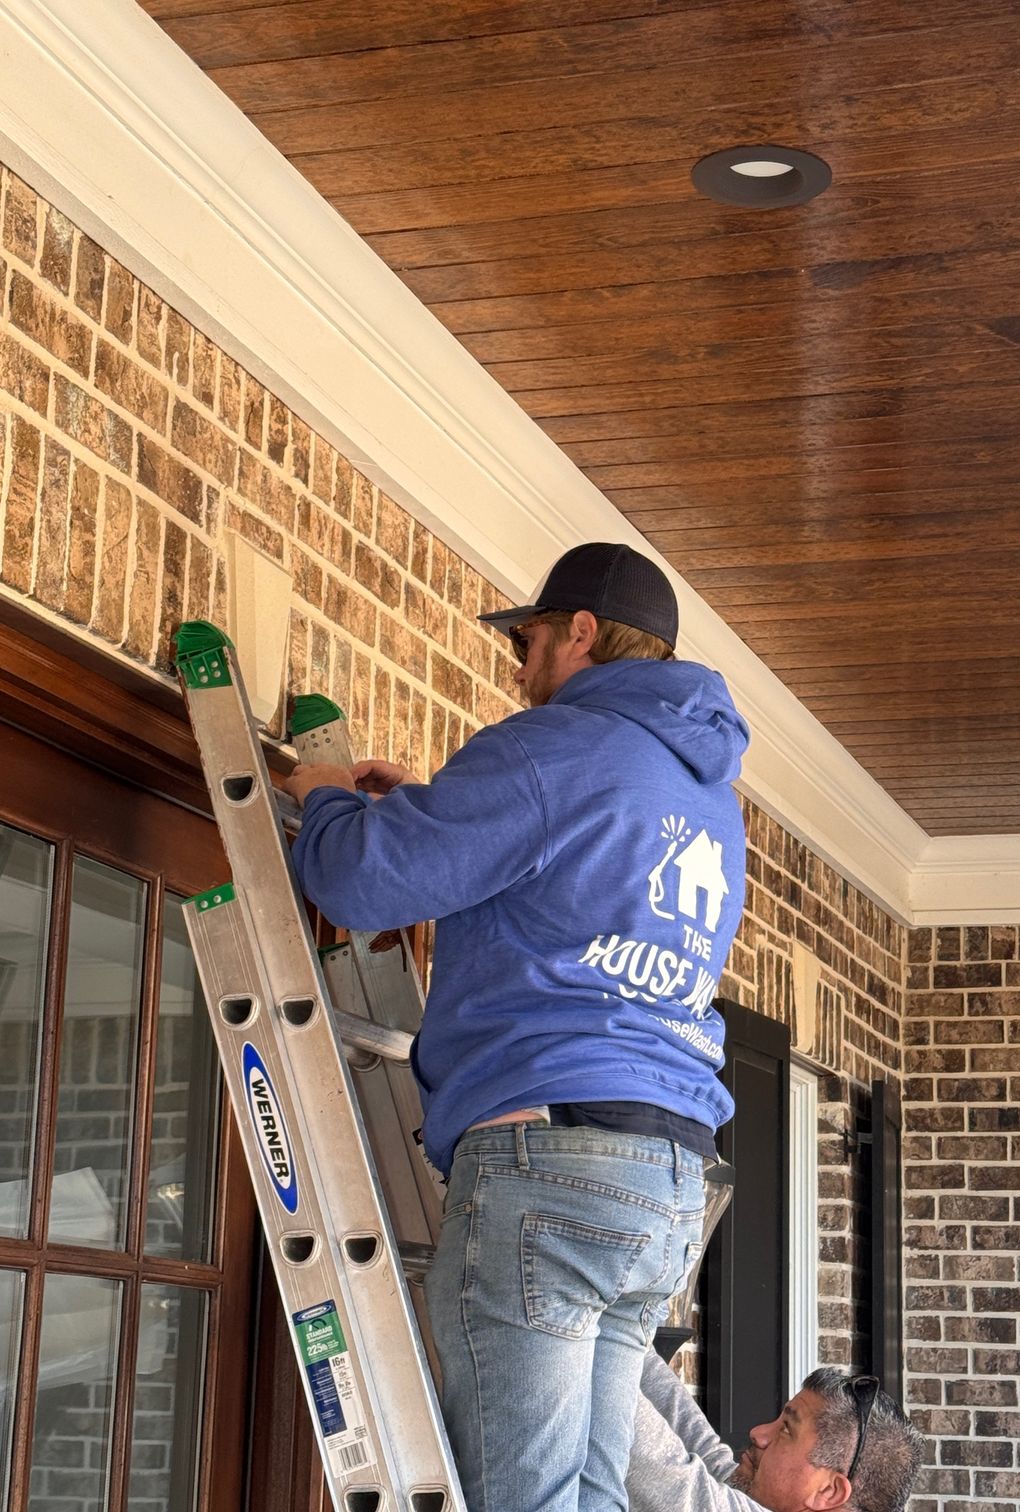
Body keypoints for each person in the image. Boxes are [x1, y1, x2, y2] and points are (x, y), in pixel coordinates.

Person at [283, 541, 750, 1512]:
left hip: (554, 1167)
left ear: (581, 632)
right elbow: (565, 892)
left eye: (529, 636)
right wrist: (439, 815)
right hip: (665, 1185)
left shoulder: (554, 748)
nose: (517, 662)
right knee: (589, 1495)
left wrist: (320, 796)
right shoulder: (706, 801)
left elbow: (361, 882)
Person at [626, 1349, 924, 1512]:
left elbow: (660, 1468)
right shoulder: (752, 1492)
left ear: (828, 1491)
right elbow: (702, 1447)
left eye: (786, 1430)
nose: (758, 1433)